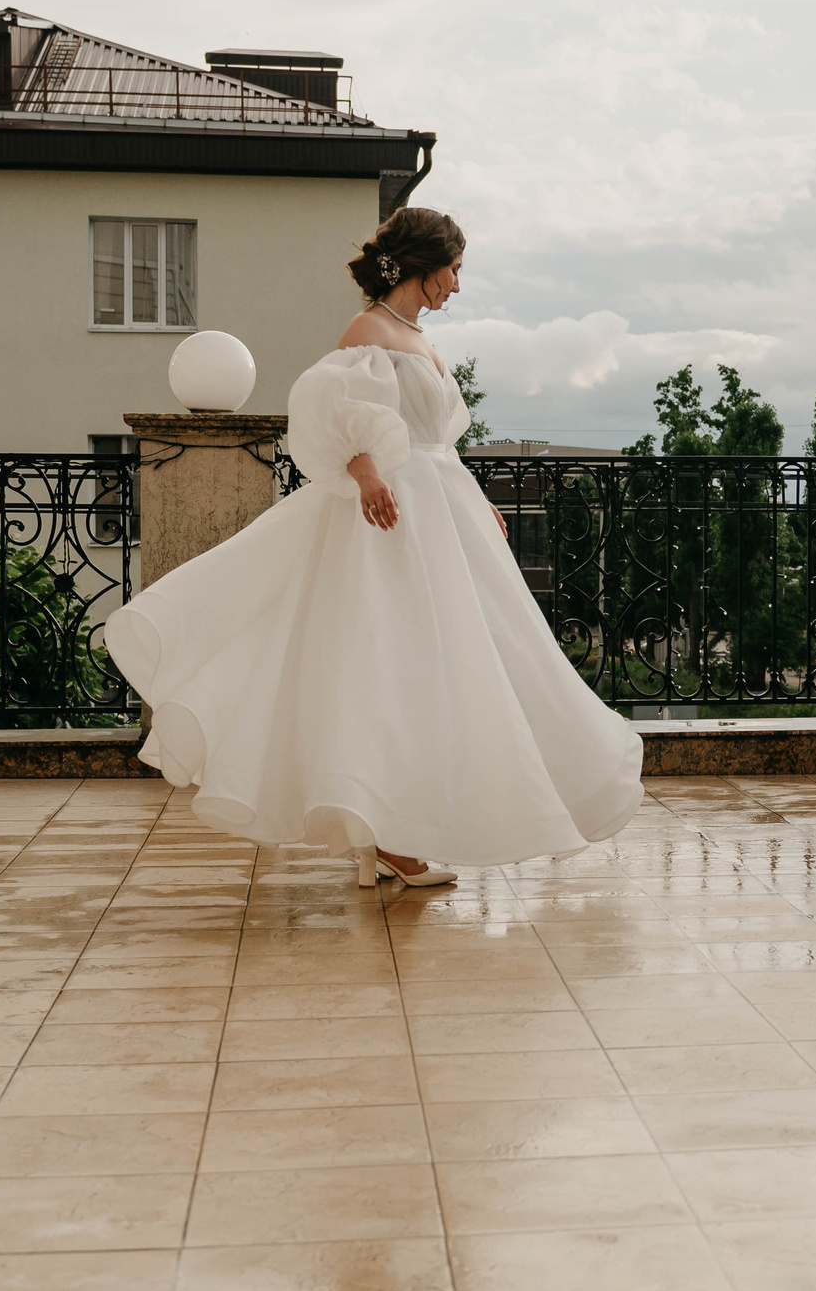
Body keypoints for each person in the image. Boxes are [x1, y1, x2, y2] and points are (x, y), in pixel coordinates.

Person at [107, 207, 645, 886]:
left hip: (440, 512)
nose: (458, 285)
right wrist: (365, 473)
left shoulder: (418, 338)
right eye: (453, 270)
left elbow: (437, 440)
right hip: (393, 518)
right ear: (423, 266)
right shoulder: (369, 330)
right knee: (392, 667)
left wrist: (473, 497)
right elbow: (331, 410)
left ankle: (387, 835)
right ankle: (388, 836)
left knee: (441, 667)